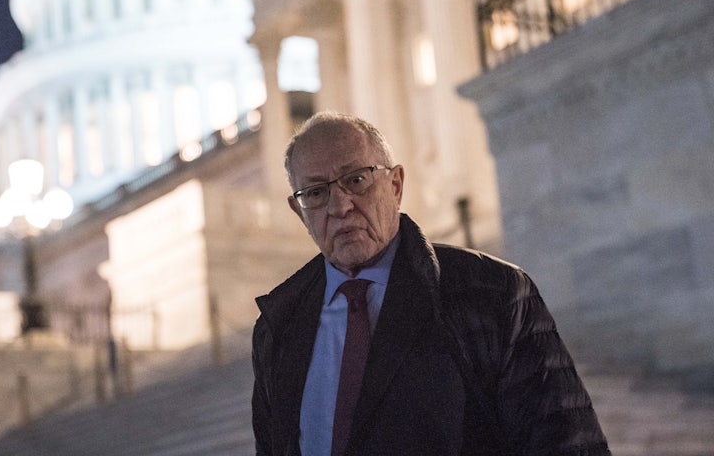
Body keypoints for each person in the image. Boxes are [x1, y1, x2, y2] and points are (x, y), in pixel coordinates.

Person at [252, 111, 611, 455]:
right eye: (316, 192)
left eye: (356, 180)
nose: (339, 206)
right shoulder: (276, 330)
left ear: (395, 185)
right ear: (299, 211)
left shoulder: (496, 293)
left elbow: (567, 444)